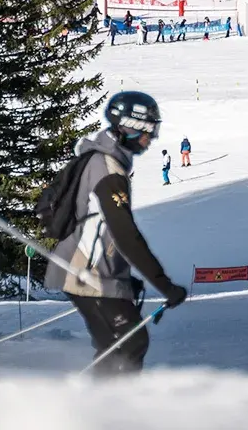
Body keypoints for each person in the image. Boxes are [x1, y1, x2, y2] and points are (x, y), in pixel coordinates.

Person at [42, 90, 184, 374]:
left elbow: (102, 229)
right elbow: (124, 233)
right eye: (149, 129)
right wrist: (163, 284)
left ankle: (102, 408)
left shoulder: (104, 161)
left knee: (117, 345)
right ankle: (111, 409)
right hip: (86, 272)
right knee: (128, 343)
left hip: (91, 270)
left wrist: (123, 277)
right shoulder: (108, 169)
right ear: (130, 127)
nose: (152, 137)